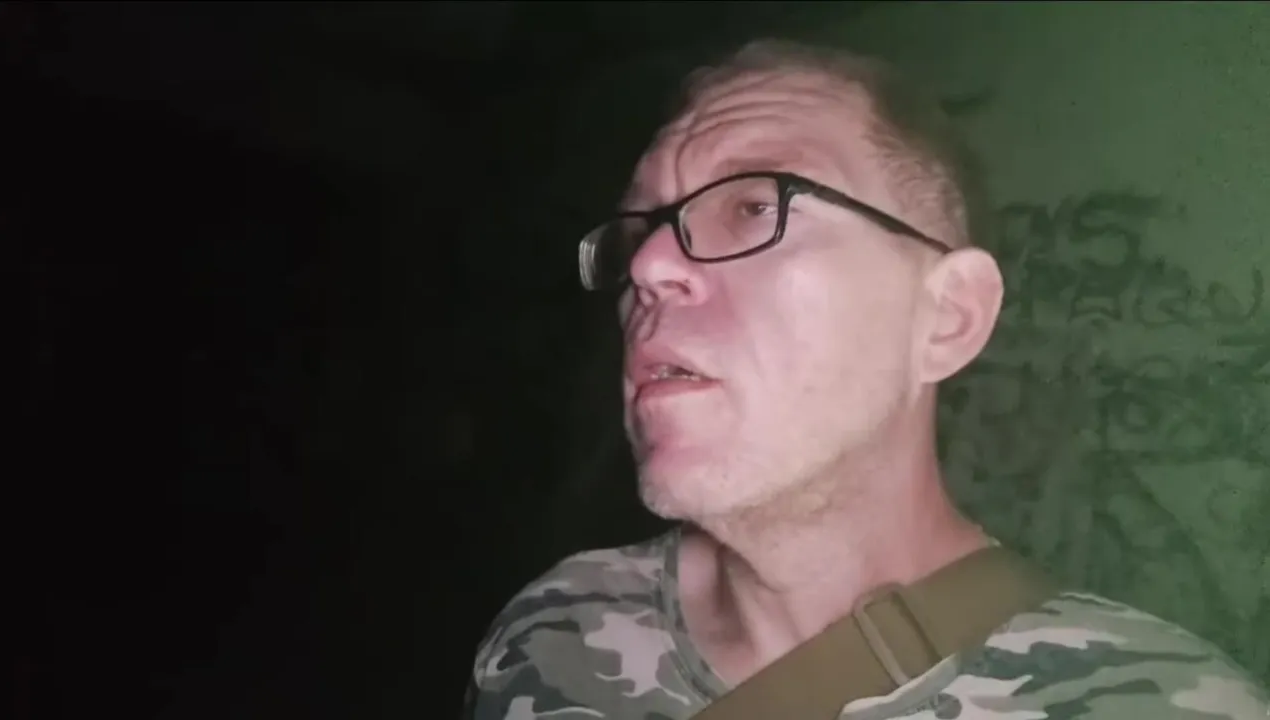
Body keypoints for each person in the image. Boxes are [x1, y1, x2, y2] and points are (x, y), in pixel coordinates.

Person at [462, 39, 1268, 719]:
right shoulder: (547, 634)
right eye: (643, 228)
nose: (648, 265)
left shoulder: (1161, 702)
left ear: (948, 317)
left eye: (754, 206)